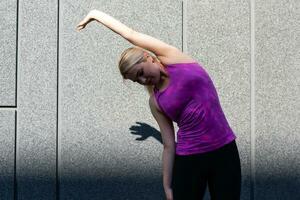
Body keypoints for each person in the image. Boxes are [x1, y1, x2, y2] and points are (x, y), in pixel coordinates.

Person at [76, 9, 241, 200]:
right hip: (190, 159)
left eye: (140, 73)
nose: (144, 79)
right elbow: (169, 145)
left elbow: (131, 34)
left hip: (224, 150)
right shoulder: (156, 102)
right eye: (138, 80)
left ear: (148, 58)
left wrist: (96, 15)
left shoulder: (173, 58)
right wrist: (166, 185)